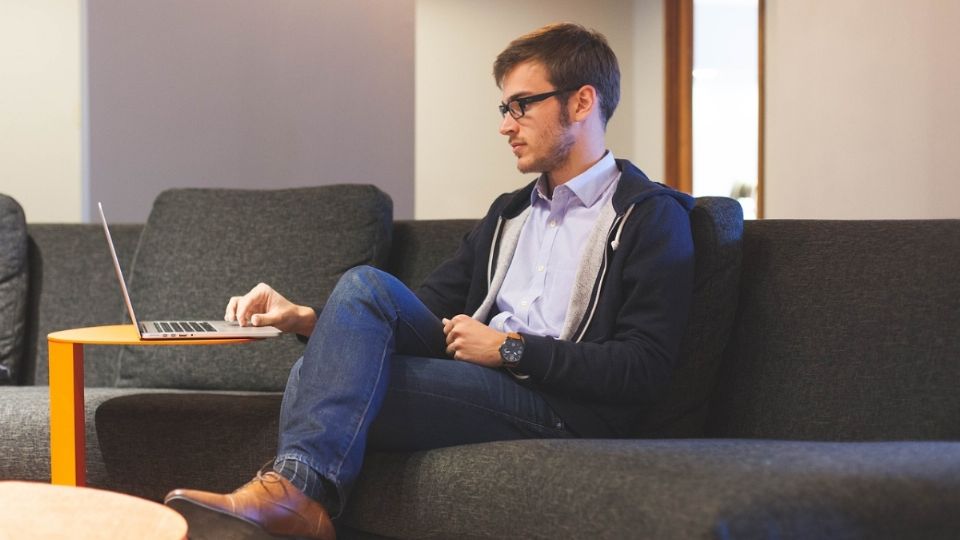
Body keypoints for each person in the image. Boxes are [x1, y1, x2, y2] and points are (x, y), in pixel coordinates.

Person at [164, 22, 694, 540]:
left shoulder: (647, 216)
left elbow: (643, 367)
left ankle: (295, 499)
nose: (506, 125)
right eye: (503, 108)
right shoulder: (511, 214)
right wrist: (306, 318)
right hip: (483, 380)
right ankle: (298, 500)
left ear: (581, 103)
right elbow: (417, 309)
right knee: (364, 291)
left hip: (564, 408)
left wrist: (510, 350)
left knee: (317, 380)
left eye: (521, 105)